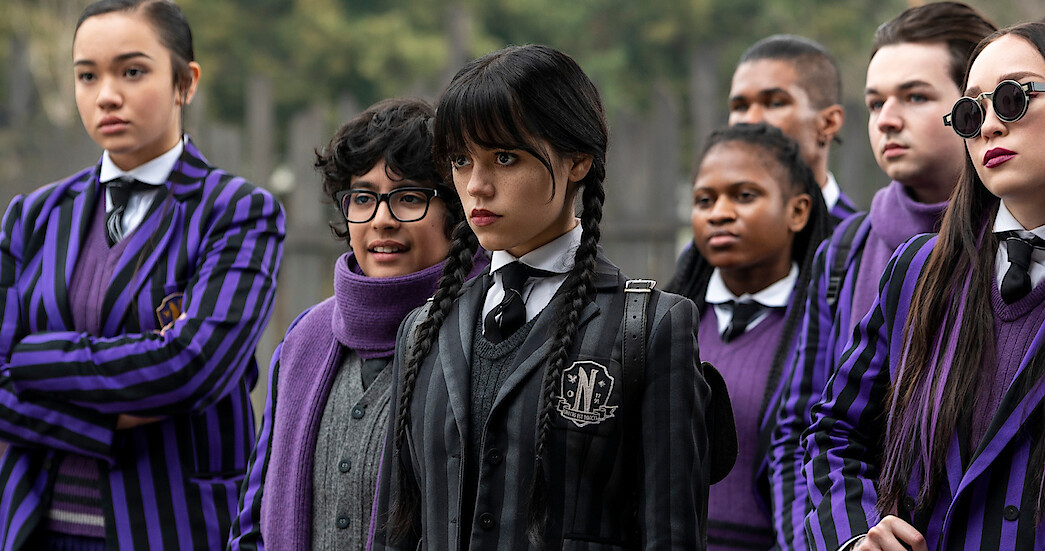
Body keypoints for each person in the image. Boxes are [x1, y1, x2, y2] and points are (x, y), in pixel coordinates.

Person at [370, 44, 714, 550]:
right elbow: (396, 529)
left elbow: (672, 536)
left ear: (578, 161)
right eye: (461, 161)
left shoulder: (649, 328)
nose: (476, 186)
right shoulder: (423, 330)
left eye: (504, 158)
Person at [0, 0, 285, 549]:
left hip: (174, 526)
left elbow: (191, 367)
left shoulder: (237, 212)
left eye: (132, 71)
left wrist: (31, 358)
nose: (107, 95)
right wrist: (104, 423)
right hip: (36, 528)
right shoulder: (32, 216)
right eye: (88, 75)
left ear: (185, 82)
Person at [803, 21, 1045, 550]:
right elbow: (835, 432)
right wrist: (854, 536)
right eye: (971, 112)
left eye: (1012, 99)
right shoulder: (918, 270)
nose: (989, 127)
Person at [767, 5, 997, 550]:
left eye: (914, 97)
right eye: (875, 103)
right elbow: (802, 428)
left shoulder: (1020, 248)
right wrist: (838, 539)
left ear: (978, 106)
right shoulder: (846, 249)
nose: (887, 119)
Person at [227, 98, 487, 550]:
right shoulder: (305, 339)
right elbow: (252, 523)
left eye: (408, 198)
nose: (381, 220)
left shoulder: (486, 339)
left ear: (456, 211)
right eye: (363, 198)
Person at [667, 123, 828, 550]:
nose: (719, 213)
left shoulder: (826, 327)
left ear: (797, 211)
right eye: (705, 200)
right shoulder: (666, 323)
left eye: (744, 196)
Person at [728, 34, 856, 226]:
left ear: (829, 123)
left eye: (775, 103)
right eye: (740, 107)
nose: (750, 120)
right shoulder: (713, 239)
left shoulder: (866, 242)